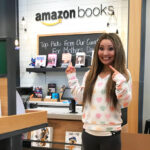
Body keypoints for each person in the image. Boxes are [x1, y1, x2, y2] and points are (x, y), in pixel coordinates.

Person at [65, 33, 132, 150]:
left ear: (118, 51)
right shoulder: (89, 74)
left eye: (110, 49)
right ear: (97, 51)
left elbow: (125, 103)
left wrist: (121, 83)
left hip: (110, 136)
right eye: (101, 49)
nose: (105, 53)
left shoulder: (123, 74)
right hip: (88, 134)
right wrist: (72, 77)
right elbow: (81, 99)